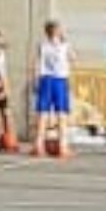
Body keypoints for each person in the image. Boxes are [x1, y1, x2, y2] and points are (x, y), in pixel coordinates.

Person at [33, 20, 73, 159]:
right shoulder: (64, 45)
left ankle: (38, 145)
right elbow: (73, 57)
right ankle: (63, 146)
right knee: (62, 114)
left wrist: (36, 80)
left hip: (45, 79)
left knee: (43, 113)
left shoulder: (42, 45)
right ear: (58, 31)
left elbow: (37, 63)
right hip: (60, 80)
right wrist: (64, 40)